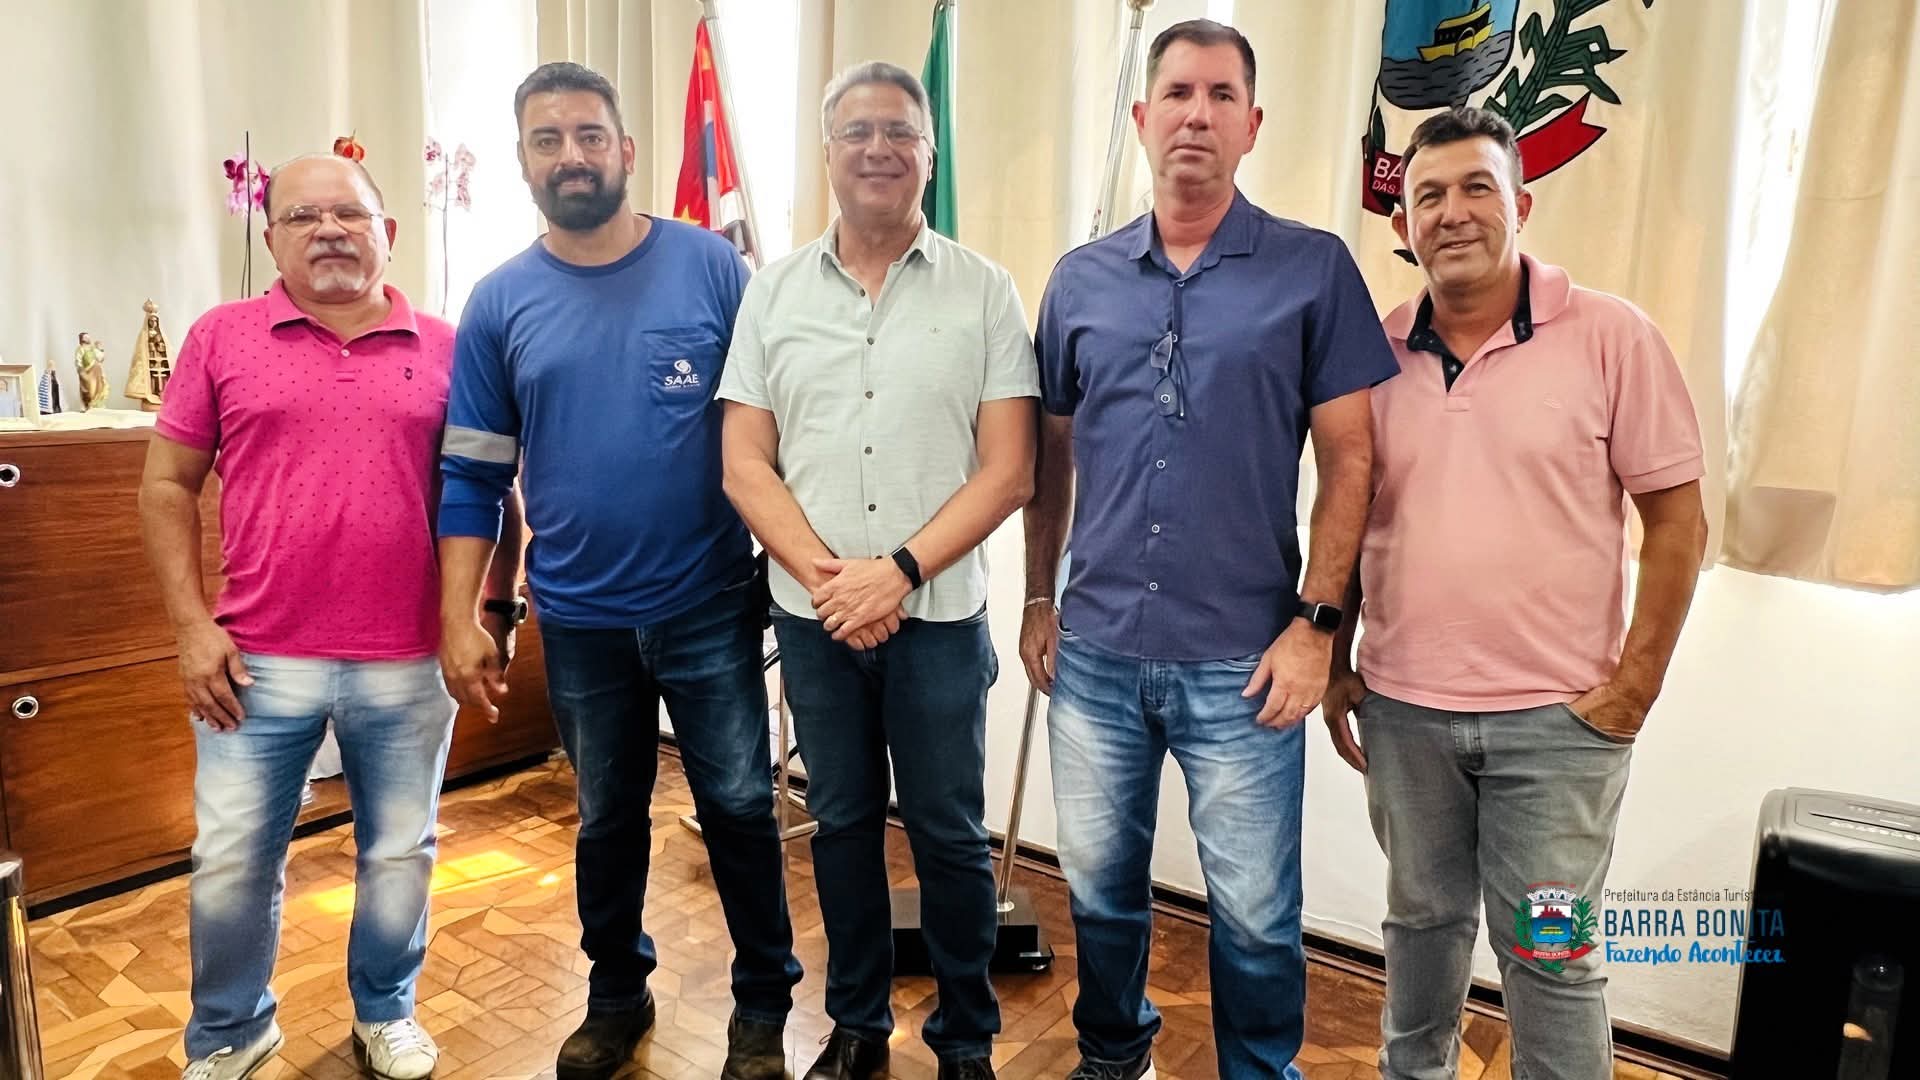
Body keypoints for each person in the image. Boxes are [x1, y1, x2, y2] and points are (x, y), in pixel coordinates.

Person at [1022, 19, 1399, 1080]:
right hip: (1095, 652)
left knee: (1256, 915)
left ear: (1252, 124)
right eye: (1179, 94)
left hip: (1247, 661)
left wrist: (1317, 629)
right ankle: (1113, 1057)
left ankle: (1258, 1072)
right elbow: (1050, 456)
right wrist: (1039, 597)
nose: (1197, 113)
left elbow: (1353, 462)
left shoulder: (1312, 270)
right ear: (1144, 119)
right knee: (1098, 891)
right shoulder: (1081, 280)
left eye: (1221, 95)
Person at [1321, 105, 1709, 1080]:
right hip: (1405, 715)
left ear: (1521, 205)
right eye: (1429, 196)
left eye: (1476, 188)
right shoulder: (1373, 353)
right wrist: (1335, 660)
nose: (1452, 212)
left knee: (1551, 955)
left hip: (1559, 729)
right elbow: (1348, 518)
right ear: (1403, 223)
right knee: (1420, 927)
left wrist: (1632, 690)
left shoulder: (1613, 336)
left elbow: (1677, 524)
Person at [437, 61, 800, 1080]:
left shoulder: (712, 268)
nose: (572, 155)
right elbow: (472, 476)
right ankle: (614, 992)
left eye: (589, 135)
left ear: (626, 150)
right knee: (606, 817)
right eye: (547, 139)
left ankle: (763, 1006)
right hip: (581, 617)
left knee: (739, 806)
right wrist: (464, 613)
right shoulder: (499, 303)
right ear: (523, 162)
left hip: (709, 602)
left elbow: (772, 429)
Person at [140, 153, 520, 1080]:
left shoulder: (452, 347)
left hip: (408, 658)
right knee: (232, 858)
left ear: (388, 232)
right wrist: (190, 627)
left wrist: (493, 609)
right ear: (271, 238)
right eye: (304, 216)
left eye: (349, 214)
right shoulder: (221, 337)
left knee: (399, 852)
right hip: (255, 660)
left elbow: (495, 493)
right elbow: (165, 488)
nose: (330, 231)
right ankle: (232, 1030)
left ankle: (386, 1011)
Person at [718, 60, 1037, 1080]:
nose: (878, 149)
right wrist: (833, 582)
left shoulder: (985, 290)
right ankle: (856, 1028)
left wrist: (893, 573)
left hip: (936, 620)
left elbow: (1011, 470)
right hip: (814, 622)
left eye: (900, 131)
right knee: (843, 825)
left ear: (929, 156)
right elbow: (743, 463)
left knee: (948, 835)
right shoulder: (772, 292)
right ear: (828, 153)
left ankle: (965, 1038)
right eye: (856, 131)